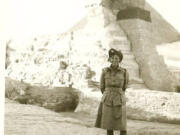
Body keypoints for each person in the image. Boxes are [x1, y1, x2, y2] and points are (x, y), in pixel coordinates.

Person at [95, 48, 129, 135]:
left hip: (119, 99)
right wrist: (108, 93)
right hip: (107, 99)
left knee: (122, 125)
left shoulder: (124, 72)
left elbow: (125, 86)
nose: (114, 60)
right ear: (110, 60)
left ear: (119, 60)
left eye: (117, 58)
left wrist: (118, 93)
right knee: (109, 125)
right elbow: (102, 86)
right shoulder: (105, 71)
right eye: (112, 58)